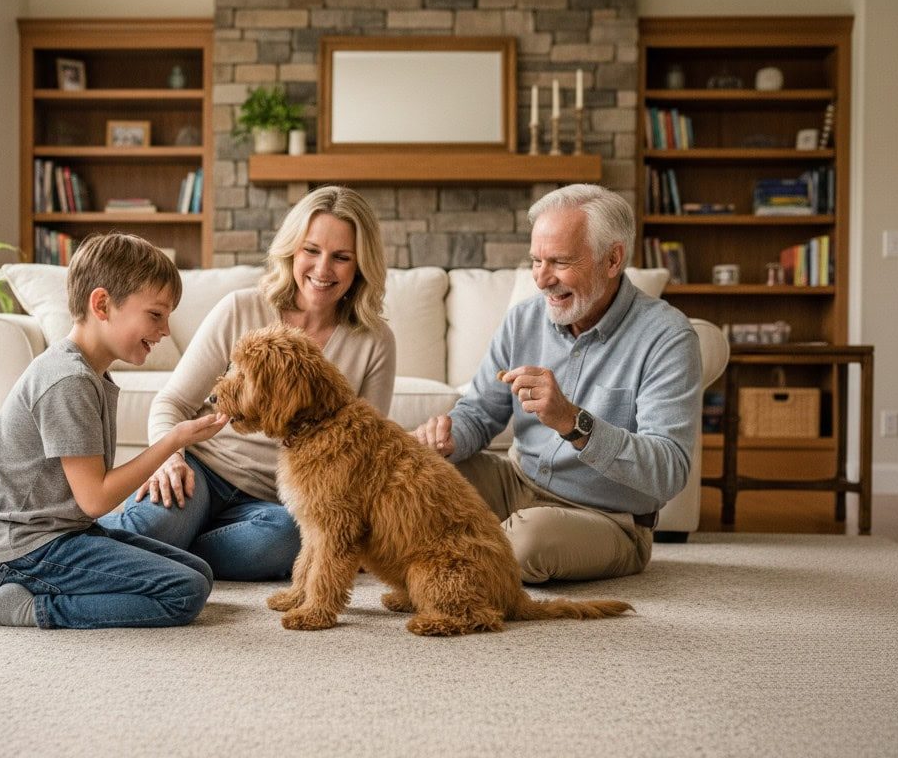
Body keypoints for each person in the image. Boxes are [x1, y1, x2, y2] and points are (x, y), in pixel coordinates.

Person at [104, 185, 396, 580]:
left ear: (361, 264)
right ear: (292, 249)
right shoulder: (242, 307)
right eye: (311, 250)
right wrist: (168, 458)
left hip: (276, 504)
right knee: (157, 523)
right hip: (202, 470)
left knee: (287, 542)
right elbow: (171, 402)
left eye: (341, 257)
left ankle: (167, 555)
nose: (323, 270)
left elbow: (366, 448)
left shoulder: (373, 340)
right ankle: (124, 550)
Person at [413, 184, 701, 583]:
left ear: (612, 259)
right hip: (515, 485)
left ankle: (450, 561)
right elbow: (478, 413)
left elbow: (669, 470)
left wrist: (573, 422)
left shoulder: (667, 337)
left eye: (559, 262)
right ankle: (460, 555)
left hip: (607, 517)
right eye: (536, 261)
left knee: (525, 545)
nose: (542, 279)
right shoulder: (523, 320)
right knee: (411, 481)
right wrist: (448, 437)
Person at [0, 233, 230, 628]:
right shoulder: (68, 381)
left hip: (56, 531)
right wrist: (174, 440)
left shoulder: (90, 372)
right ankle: (26, 603)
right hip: (29, 546)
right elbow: (95, 499)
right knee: (185, 592)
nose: (164, 330)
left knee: (200, 573)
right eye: (155, 314)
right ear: (102, 304)